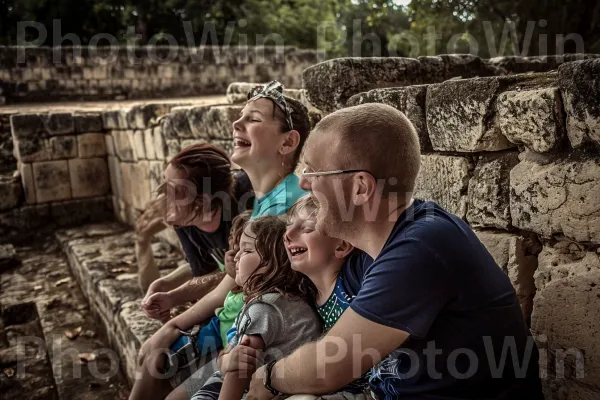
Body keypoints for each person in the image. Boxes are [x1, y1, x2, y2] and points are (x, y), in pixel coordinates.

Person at [245, 103, 544, 400]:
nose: (303, 182)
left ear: (361, 188)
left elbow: (331, 364)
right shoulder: (371, 250)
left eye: (313, 171)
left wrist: (269, 377)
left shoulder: (423, 246)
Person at [130, 80, 311, 400]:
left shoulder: (288, 205)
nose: (235, 123)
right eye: (240, 116)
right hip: (241, 327)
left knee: (162, 375)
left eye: (253, 119)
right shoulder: (265, 199)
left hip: (257, 336)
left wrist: (170, 327)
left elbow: (241, 286)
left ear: (287, 143)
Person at [190, 216, 322, 400]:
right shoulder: (294, 300)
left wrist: (229, 363)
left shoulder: (263, 308)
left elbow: (239, 372)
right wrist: (227, 360)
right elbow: (230, 356)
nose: (235, 256)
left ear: (269, 262)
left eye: (246, 250)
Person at [136, 143, 253, 322]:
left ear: (201, 202)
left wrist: (174, 297)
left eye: (172, 191)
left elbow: (232, 274)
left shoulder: (246, 205)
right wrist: (164, 284)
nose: (161, 195)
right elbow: (202, 270)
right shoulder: (185, 216)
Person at [284, 195, 372, 399]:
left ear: (341, 246)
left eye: (307, 228)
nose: (288, 234)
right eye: (287, 227)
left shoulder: (357, 275)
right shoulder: (303, 295)